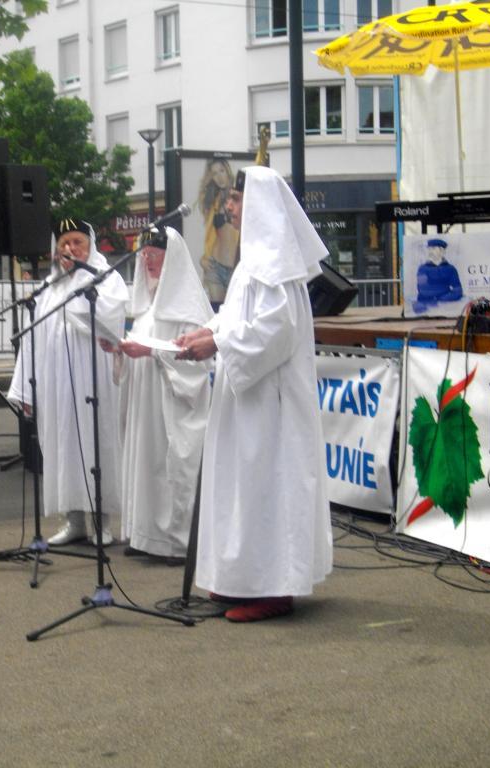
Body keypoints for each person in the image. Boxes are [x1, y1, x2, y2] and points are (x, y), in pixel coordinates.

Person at [175, 166, 333, 622]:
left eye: (238, 200)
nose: (229, 206)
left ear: (260, 205)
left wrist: (219, 342)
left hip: (271, 406)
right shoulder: (253, 263)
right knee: (243, 489)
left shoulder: (276, 266)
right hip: (246, 400)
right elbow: (236, 319)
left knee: (267, 488)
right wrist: (205, 333)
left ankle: (274, 587)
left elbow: (275, 331)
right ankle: (242, 580)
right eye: (229, 199)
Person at [7, 218, 129, 546]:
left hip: (94, 380)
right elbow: (31, 338)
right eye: (63, 243)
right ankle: (74, 521)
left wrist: (78, 288)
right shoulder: (49, 287)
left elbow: (106, 319)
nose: (69, 249)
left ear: (89, 246)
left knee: (95, 444)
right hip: (55, 384)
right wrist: (26, 389)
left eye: (76, 242)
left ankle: (101, 522)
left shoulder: (107, 280)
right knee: (62, 447)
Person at [116, 226, 212, 562]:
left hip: (172, 404)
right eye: (144, 255)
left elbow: (200, 361)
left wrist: (152, 353)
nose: (147, 260)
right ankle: (146, 535)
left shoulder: (190, 308)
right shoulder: (147, 306)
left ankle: (174, 542)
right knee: (145, 464)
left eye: (154, 255)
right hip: (146, 401)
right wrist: (120, 351)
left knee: (167, 467)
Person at [196, 157, 240, 306]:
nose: (220, 177)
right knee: (216, 314)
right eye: (214, 173)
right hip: (215, 267)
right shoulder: (213, 201)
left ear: (227, 170)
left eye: (221, 171)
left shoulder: (240, 197)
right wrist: (204, 258)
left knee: (234, 313)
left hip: (236, 268)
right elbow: (210, 235)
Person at [414, 237, 463, 312]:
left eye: (433, 248)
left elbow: (458, 290)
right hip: (425, 305)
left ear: (442, 251)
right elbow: (423, 289)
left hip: (445, 305)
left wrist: (443, 299)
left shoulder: (451, 269)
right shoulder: (422, 269)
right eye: (429, 249)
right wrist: (440, 297)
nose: (430, 251)